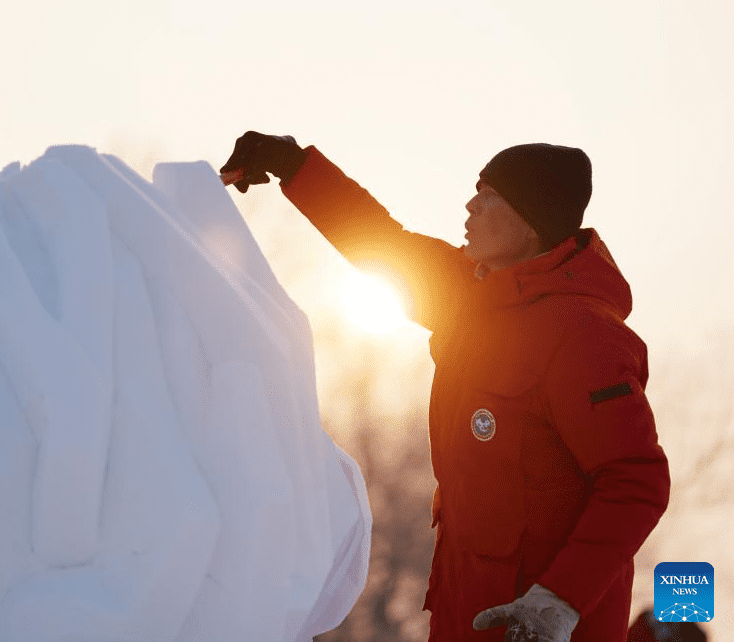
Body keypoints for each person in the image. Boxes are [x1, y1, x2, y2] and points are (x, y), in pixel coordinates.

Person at [220, 133, 671, 642]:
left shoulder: (584, 335)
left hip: (545, 627)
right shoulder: (465, 297)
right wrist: (293, 164)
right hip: (464, 614)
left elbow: (637, 481)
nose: (470, 204)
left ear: (532, 221)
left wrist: (559, 599)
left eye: (491, 195)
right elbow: (379, 242)